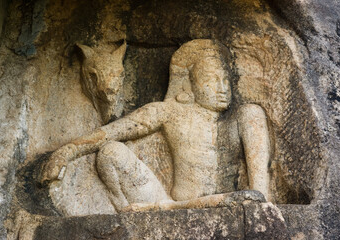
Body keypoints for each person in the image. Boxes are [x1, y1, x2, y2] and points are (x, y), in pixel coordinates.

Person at [41, 39, 271, 212]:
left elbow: (257, 193)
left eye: (225, 80)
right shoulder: (169, 111)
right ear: (190, 84)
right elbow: (111, 132)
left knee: (252, 115)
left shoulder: (245, 116)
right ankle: (128, 212)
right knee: (111, 151)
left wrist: (260, 203)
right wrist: (67, 151)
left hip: (236, 202)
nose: (221, 87)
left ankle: (163, 209)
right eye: (210, 80)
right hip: (169, 201)